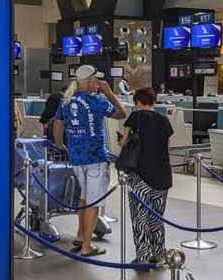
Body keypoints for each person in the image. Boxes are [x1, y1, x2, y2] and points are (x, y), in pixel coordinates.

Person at [52, 65, 127, 256]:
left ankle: (80, 235)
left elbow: (57, 126)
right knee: (94, 202)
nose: (98, 83)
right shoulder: (97, 101)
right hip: (95, 158)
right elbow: (121, 113)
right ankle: (87, 246)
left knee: (84, 198)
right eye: (96, 80)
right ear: (90, 81)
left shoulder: (66, 101)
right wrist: (109, 92)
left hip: (77, 158)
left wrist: (61, 146)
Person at [120, 87, 174, 264]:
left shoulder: (136, 117)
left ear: (138, 103)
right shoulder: (164, 120)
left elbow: (123, 142)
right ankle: (159, 255)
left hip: (141, 175)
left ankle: (143, 256)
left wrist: (124, 139)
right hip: (163, 176)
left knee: (139, 218)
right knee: (156, 219)